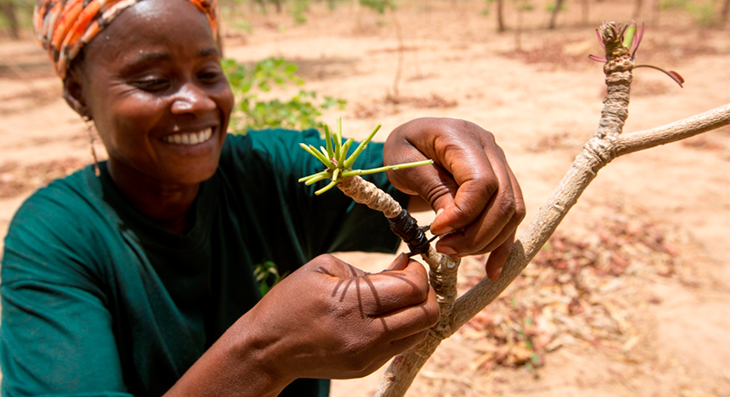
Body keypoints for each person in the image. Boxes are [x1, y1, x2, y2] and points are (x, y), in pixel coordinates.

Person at [0, 0, 525, 396]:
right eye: (153, 80)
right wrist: (265, 353)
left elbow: (389, 165)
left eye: (209, 73)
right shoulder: (53, 240)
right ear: (76, 94)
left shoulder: (265, 168)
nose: (196, 102)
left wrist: (428, 150)